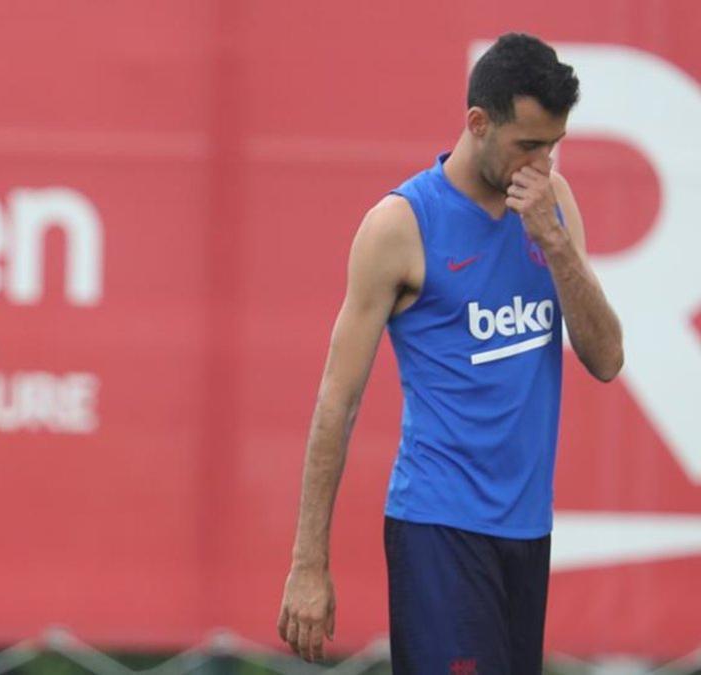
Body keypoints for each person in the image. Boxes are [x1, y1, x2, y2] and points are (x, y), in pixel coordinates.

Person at [277, 33, 624, 673]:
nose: (542, 163)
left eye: (553, 145)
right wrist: (308, 563)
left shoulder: (553, 209)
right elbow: (337, 401)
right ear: (478, 123)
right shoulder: (401, 226)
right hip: (439, 527)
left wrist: (558, 247)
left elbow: (606, 359)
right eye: (528, 145)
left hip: (526, 533)